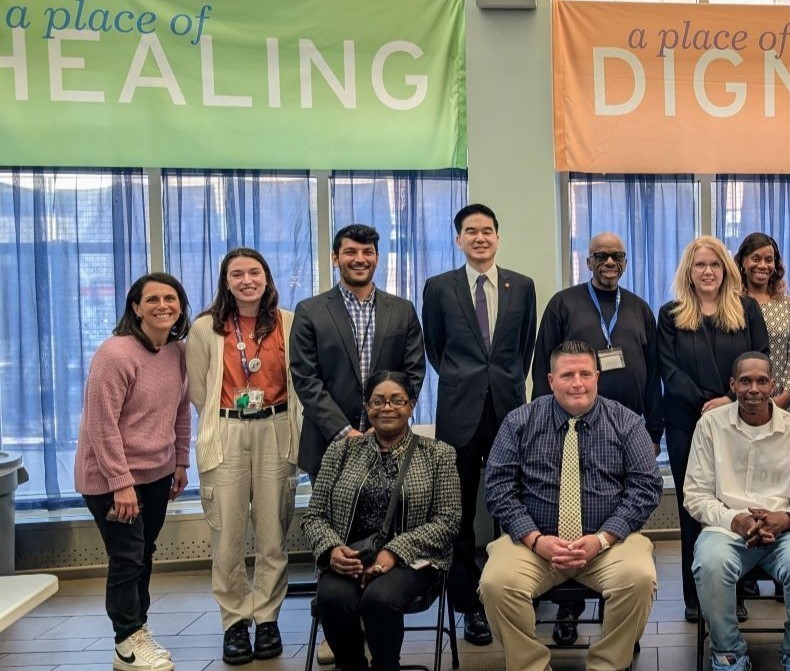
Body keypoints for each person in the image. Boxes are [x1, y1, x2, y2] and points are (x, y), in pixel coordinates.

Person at [481, 340, 662, 671]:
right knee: (496, 583)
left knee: (639, 577)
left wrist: (603, 538)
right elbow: (498, 488)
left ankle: (607, 664)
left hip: (607, 544)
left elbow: (646, 486)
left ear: (597, 377)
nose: (577, 383)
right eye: (567, 375)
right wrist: (535, 539)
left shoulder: (627, 423)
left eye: (584, 374)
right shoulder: (519, 422)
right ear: (551, 381)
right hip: (535, 544)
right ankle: (531, 666)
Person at [529, 231, 661, 644]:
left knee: (615, 516)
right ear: (587, 262)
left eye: (617, 256)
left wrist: (653, 431)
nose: (609, 262)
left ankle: (617, 616)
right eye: (601, 255)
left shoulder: (639, 308)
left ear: (624, 262)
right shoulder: (563, 303)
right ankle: (567, 610)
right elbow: (541, 369)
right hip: (569, 428)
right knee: (573, 511)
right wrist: (540, 427)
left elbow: (655, 372)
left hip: (627, 432)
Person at [422, 203, 538, 645]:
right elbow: (435, 348)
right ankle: (468, 606)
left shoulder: (521, 286)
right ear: (458, 239)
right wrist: (462, 379)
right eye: (471, 231)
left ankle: (513, 594)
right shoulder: (439, 288)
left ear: (498, 236)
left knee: (512, 507)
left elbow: (524, 347)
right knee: (461, 513)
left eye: (487, 230)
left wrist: (502, 380)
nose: (480, 238)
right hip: (459, 413)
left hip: (509, 410)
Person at [301, 371, 462, 671]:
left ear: (411, 406)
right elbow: (314, 516)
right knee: (333, 596)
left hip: (414, 560)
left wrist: (395, 551)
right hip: (350, 556)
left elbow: (449, 520)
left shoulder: (438, 454)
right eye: (378, 401)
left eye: (396, 400)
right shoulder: (340, 451)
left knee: (379, 599)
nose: (387, 408)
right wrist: (332, 550)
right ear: (367, 407)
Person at [186, 249, 300, 664]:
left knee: (273, 534)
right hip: (227, 430)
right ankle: (235, 621)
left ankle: (267, 618)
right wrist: (230, 417)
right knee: (228, 537)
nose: (247, 280)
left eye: (254, 272)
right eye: (237, 274)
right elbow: (199, 393)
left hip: (276, 428)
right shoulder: (204, 328)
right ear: (226, 281)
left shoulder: (288, 323)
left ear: (267, 278)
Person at [76, 273, 192, 671]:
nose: (164, 306)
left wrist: (180, 461)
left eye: (171, 299)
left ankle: (137, 630)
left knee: (143, 554)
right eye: (153, 299)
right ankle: (126, 641)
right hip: (112, 479)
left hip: (157, 475)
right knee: (126, 557)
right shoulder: (115, 353)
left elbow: (179, 410)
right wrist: (120, 484)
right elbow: (101, 424)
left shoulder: (176, 352)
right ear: (136, 307)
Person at [685, 353, 790, 671]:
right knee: (709, 564)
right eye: (745, 381)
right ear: (733, 385)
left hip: (786, 530)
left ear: (773, 385)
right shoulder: (710, 425)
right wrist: (736, 520)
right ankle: (729, 653)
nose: (754, 388)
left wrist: (785, 520)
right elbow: (696, 495)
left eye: (762, 380)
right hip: (726, 528)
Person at [658, 235, 770, 622]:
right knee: (695, 509)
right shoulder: (670, 314)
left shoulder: (747, 309)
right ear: (689, 271)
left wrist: (728, 399)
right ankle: (696, 596)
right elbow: (668, 370)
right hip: (686, 424)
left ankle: (735, 590)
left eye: (715, 264)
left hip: (738, 421)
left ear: (726, 270)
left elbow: (759, 361)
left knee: (736, 502)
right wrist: (705, 405)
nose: (708, 271)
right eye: (700, 264)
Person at [290, 224, 426, 480]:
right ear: (335, 258)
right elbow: (306, 379)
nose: (360, 259)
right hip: (327, 443)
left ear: (377, 258)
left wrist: (384, 424)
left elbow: (414, 372)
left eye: (368, 252)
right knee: (331, 519)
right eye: (350, 252)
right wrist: (345, 431)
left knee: (390, 519)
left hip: (390, 439)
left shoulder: (402, 310)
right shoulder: (310, 311)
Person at [734, 233, 790, 415]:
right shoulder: (731, 304)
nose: (763, 265)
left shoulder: (788, 305)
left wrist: (785, 395)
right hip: (741, 402)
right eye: (755, 259)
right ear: (743, 262)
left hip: (784, 404)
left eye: (769, 260)